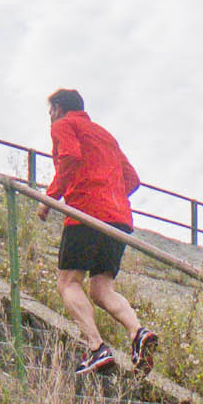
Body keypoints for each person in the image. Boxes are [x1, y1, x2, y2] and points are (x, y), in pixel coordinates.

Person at [36, 89, 159, 375]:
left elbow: (68, 157)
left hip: (86, 214)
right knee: (102, 289)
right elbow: (132, 179)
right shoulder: (105, 135)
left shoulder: (63, 125)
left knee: (68, 282)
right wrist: (109, 194)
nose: (49, 116)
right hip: (119, 219)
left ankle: (96, 348)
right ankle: (138, 332)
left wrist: (50, 199)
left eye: (50, 110)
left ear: (57, 108)